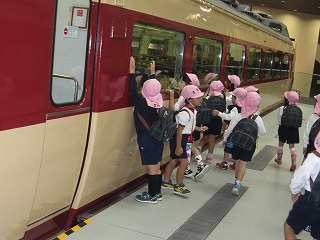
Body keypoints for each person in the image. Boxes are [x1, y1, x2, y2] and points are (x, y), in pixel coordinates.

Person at [128, 56, 163, 204]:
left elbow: (131, 88)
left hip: (147, 138)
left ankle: (151, 195)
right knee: (157, 166)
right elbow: (153, 87)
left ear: (143, 90)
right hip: (158, 137)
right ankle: (158, 193)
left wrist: (132, 71)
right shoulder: (158, 99)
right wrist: (152, 72)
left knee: (151, 169)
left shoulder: (141, 102)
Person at [162, 85, 208, 195]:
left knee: (173, 160)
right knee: (184, 162)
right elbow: (179, 131)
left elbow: (189, 126)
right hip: (179, 139)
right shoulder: (184, 113)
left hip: (184, 138)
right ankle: (179, 185)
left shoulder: (193, 111)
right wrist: (178, 146)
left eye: (200, 97)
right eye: (197, 97)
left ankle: (166, 181)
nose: (200, 99)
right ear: (189, 99)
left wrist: (198, 128)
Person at [222, 92, 266, 195]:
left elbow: (229, 130)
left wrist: (225, 139)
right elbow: (263, 132)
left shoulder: (238, 116)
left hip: (236, 143)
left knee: (237, 162)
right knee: (243, 164)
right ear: (257, 106)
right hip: (249, 145)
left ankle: (235, 180)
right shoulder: (257, 118)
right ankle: (237, 184)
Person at [169, 73, 209, 179]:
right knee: (189, 149)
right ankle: (194, 166)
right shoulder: (191, 107)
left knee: (188, 149)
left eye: (181, 81)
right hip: (186, 132)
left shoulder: (185, 97)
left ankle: (188, 168)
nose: (179, 83)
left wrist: (172, 97)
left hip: (187, 132)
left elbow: (174, 109)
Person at [284, 132, 320, 240]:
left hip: (311, 201)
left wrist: (295, 190)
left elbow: (301, 176)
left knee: (289, 227)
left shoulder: (315, 157)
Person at [213, 87, 247, 170]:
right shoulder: (246, 108)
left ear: (237, 99)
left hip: (233, 134)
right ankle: (236, 164)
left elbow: (229, 118)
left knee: (227, 148)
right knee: (237, 149)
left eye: (232, 97)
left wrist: (219, 114)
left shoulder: (235, 108)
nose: (231, 98)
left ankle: (224, 163)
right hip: (242, 133)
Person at [198, 80, 226, 164]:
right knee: (212, 139)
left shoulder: (207, 99)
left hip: (207, 120)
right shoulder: (222, 99)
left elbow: (202, 109)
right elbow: (224, 111)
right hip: (217, 121)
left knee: (204, 137)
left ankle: (198, 151)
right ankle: (209, 157)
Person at [274, 91, 301, 171]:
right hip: (294, 129)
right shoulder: (298, 109)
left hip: (283, 128)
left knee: (280, 144)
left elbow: (279, 120)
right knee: (292, 146)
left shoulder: (283, 108)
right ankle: (294, 162)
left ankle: (279, 159)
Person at [302, 94, 320, 160]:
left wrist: (305, 145)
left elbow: (307, 131)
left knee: (306, 163)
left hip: (312, 145)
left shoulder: (313, 116)